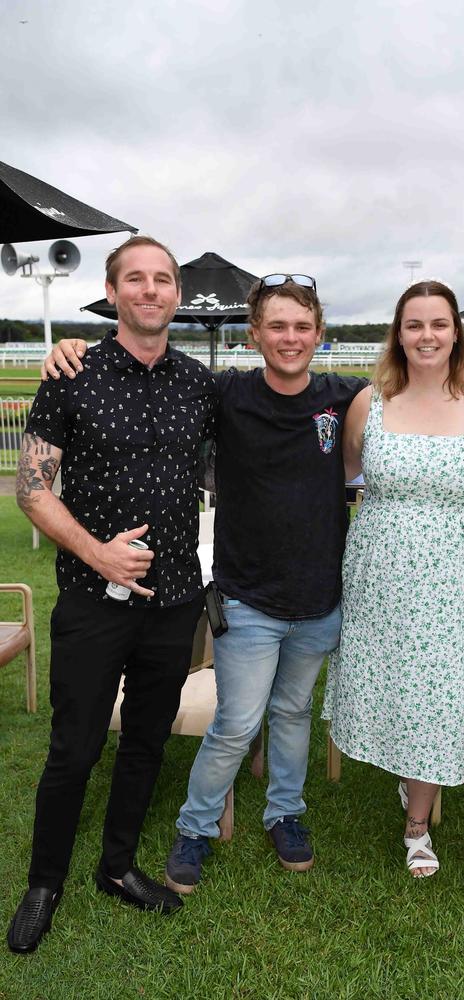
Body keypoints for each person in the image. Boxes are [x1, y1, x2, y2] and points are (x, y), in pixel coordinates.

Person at [41, 275, 368, 889]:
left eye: (302, 327)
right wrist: (65, 350)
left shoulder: (343, 396)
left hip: (320, 600)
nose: (290, 337)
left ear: (320, 334)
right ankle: (195, 826)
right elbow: (150, 373)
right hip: (246, 598)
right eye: (277, 326)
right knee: (238, 722)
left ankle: (285, 812)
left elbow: (435, 391)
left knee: (293, 713)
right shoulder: (224, 393)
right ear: (256, 335)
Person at [7, 236, 214, 954]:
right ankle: (44, 883)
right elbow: (31, 490)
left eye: (162, 280)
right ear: (113, 289)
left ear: (177, 294)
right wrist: (98, 554)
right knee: (75, 747)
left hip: (176, 601)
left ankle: (117, 866)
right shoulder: (73, 373)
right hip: (94, 603)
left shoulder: (198, 383)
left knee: (148, 743)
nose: (150, 290)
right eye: (136, 279)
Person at [323, 280, 464, 877]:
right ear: (398, 334)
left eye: (438, 323)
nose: (426, 335)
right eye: (414, 325)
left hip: (460, 579)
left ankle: (417, 825)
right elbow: (342, 474)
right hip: (382, 575)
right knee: (401, 686)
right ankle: (410, 778)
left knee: (447, 692)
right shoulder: (369, 404)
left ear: (456, 331)